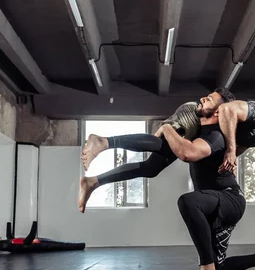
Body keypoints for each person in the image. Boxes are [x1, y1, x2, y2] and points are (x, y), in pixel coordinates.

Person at [152, 106, 255, 270]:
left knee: (188, 201)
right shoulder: (202, 139)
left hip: (229, 198)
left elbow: (228, 109)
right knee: (218, 267)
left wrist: (166, 128)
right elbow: (182, 149)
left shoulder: (217, 137)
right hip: (212, 204)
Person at [77, 88, 235, 213]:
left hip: (198, 126)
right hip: (191, 116)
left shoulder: (223, 129)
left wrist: (231, 157)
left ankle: (92, 181)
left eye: (209, 99)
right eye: (206, 96)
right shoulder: (207, 120)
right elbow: (190, 153)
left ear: (217, 111)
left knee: (151, 168)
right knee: (164, 148)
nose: (202, 98)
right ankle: (102, 142)